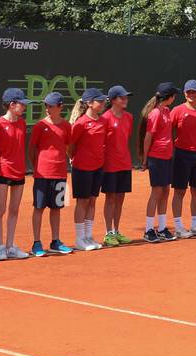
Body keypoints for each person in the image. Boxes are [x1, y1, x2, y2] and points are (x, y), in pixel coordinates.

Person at [29, 91, 74, 255]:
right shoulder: (40, 126)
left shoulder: (67, 126)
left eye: (51, 106)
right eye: (46, 105)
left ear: (60, 107)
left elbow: (69, 147)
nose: (47, 108)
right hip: (42, 174)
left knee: (56, 209)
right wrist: (38, 167)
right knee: (39, 208)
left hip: (61, 173)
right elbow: (32, 149)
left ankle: (55, 241)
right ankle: (36, 243)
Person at [0, 87, 31, 260]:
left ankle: (10, 246)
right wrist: (0, 166)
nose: (24, 107)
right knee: (1, 209)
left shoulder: (21, 123)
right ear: (12, 105)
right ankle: (0, 248)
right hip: (3, 172)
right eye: (22, 104)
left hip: (19, 171)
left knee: (14, 209)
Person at [170, 79, 196, 238]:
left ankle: (195, 225)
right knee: (179, 191)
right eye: (188, 92)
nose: (191, 95)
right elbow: (170, 131)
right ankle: (179, 226)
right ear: (185, 94)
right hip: (181, 154)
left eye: (194, 92)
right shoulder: (177, 110)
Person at [68, 88, 109, 251]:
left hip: (98, 166)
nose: (103, 103)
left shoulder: (103, 121)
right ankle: (79, 239)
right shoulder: (80, 123)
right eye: (99, 100)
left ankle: (88, 236)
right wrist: (74, 159)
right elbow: (70, 146)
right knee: (82, 202)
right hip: (82, 167)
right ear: (89, 104)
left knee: (92, 201)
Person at [137, 82, 178, 242]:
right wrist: (145, 158)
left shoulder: (167, 111)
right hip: (156, 157)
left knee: (166, 191)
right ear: (169, 97)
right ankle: (148, 230)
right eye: (174, 95)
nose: (175, 97)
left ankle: (161, 228)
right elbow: (148, 137)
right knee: (157, 192)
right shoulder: (155, 114)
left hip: (167, 157)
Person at [99, 85, 135, 247]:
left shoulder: (129, 117)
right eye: (122, 97)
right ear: (113, 100)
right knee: (111, 198)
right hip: (110, 164)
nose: (125, 99)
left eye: (126, 97)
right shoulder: (105, 118)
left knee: (120, 199)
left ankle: (116, 230)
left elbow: (125, 138)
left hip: (125, 163)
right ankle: (108, 233)